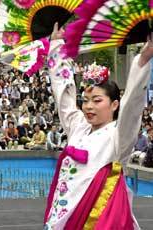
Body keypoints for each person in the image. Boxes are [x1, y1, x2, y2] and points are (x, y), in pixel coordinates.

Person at [43, 23, 153, 229]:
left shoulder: (119, 136)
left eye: (96, 100)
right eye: (85, 100)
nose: (89, 106)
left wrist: (143, 59)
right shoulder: (78, 127)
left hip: (98, 217)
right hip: (65, 217)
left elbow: (132, 105)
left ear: (114, 104)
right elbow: (63, 97)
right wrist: (57, 45)